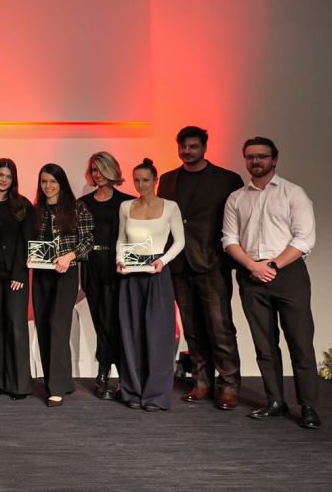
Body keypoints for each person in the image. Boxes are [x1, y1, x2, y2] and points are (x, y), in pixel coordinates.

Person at [222, 137, 320, 429]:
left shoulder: (293, 193)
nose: (256, 161)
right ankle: (275, 402)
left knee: (300, 343)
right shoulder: (236, 198)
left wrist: (273, 265)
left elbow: (304, 239)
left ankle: (308, 407)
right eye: (250, 157)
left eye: (262, 156)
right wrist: (253, 266)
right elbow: (229, 239)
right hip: (251, 275)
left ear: (274, 159)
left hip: (288, 274)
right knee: (264, 345)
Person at [157, 126, 244, 410]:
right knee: (192, 328)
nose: (187, 151)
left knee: (220, 327)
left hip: (212, 263)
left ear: (205, 147)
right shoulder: (167, 180)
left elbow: (237, 221)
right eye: (183, 146)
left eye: (193, 146)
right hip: (179, 263)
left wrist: (227, 256)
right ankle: (202, 381)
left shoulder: (228, 179)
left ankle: (229, 385)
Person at [115, 158, 186, 411]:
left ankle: (156, 395)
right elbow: (121, 239)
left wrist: (162, 261)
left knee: (158, 335)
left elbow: (179, 241)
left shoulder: (170, 207)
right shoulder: (125, 206)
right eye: (137, 180)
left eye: (146, 180)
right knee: (131, 333)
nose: (141, 184)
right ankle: (133, 391)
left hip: (157, 275)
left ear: (155, 181)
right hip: (130, 275)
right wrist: (120, 260)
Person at [30, 163, 93, 407]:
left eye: (53, 181)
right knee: (44, 326)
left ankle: (55, 389)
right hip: (42, 274)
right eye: (44, 181)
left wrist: (70, 256)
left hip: (66, 274)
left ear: (61, 183)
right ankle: (61, 380)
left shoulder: (77, 208)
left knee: (58, 326)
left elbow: (88, 240)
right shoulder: (37, 210)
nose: (48, 186)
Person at [78, 152, 134, 400]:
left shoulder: (127, 202)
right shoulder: (82, 203)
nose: (97, 174)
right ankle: (109, 372)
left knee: (115, 321)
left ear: (112, 170)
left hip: (117, 267)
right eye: (94, 169)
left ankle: (109, 373)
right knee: (100, 320)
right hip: (91, 267)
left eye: (101, 169)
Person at [0, 159, 33, 399]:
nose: (3, 179)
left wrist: (20, 272)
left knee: (16, 324)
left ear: (14, 180)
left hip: (15, 275)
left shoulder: (22, 205)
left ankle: (18, 384)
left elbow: (27, 241)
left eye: (8, 176)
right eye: (0, 174)